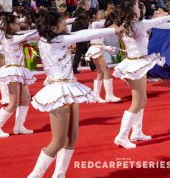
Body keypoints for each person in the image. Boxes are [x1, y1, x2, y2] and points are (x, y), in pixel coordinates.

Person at [27, 10, 124, 177]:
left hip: (69, 88)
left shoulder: (49, 37)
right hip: (58, 91)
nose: (66, 25)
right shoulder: (56, 40)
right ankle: (35, 175)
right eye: (63, 23)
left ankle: (59, 174)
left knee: (72, 137)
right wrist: (112, 30)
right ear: (53, 28)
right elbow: (83, 34)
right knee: (58, 141)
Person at [112, 0, 170, 149]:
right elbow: (159, 21)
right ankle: (122, 135)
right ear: (132, 10)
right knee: (137, 102)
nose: (139, 7)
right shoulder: (139, 25)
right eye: (137, 6)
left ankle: (136, 132)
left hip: (137, 63)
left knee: (142, 99)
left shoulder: (125, 25)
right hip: (136, 64)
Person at [0, 13, 38, 138]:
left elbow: (29, 35)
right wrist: (47, 28)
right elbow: (33, 35)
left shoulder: (14, 36)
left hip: (19, 70)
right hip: (13, 72)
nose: (19, 25)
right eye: (17, 23)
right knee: (13, 103)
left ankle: (19, 126)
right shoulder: (11, 38)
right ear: (11, 25)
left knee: (26, 99)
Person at [85, 8, 121, 103]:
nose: (101, 15)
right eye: (99, 13)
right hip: (96, 49)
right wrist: (112, 17)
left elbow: (107, 25)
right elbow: (107, 25)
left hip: (97, 48)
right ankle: (109, 95)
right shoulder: (94, 24)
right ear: (94, 16)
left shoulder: (94, 24)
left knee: (100, 72)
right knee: (106, 70)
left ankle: (96, 95)